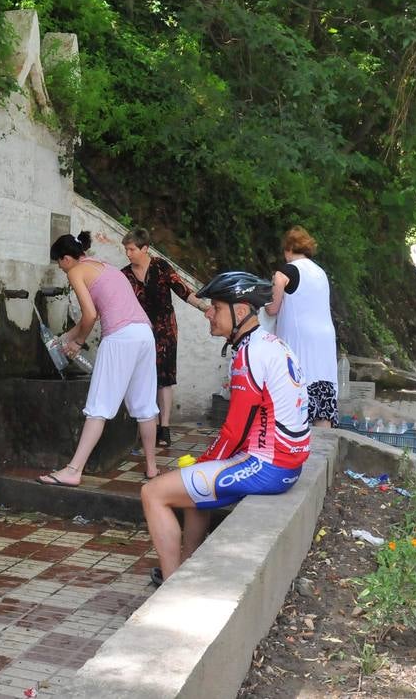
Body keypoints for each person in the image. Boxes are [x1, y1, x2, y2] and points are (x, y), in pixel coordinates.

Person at [141, 271, 310, 585]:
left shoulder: (250, 354)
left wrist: (204, 462)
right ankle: (186, 568)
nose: (208, 313)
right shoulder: (270, 344)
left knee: (153, 493)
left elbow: (234, 429)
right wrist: (203, 463)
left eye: (217, 308)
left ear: (241, 311)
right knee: (194, 479)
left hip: (269, 466)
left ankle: (172, 584)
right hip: (286, 462)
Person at [37, 231, 159, 487]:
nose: (61, 269)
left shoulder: (76, 271)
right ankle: (151, 467)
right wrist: (66, 338)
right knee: (145, 405)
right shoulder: (104, 266)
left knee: (98, 406)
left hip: (120, 338)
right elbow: (95, 315)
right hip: (144, 334)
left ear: (67, 258)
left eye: (59, 263)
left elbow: (90, 315)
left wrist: (78, 342)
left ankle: (73, 470)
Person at [121, 228, 209, 448]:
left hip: (165, 331)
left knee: (164, 379)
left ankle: (165, 427)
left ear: (145, 248)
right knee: (142, 378)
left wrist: (204, 307)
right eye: (126, 249)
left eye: (131, 249)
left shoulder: (161, 266)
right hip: (139, 332)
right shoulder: (125, 275)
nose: (128, 254)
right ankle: (149, 425)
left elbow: (183, 290)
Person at [265, 226, 338, 428]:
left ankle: (294, 438)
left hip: (300, 340)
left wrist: (267, 302)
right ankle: (324, 441)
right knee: (322, 390)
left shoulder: (285, 271)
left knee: (297, 387)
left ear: (288, 248)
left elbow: (272, 308)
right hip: (324, 339)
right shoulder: (320, 272)